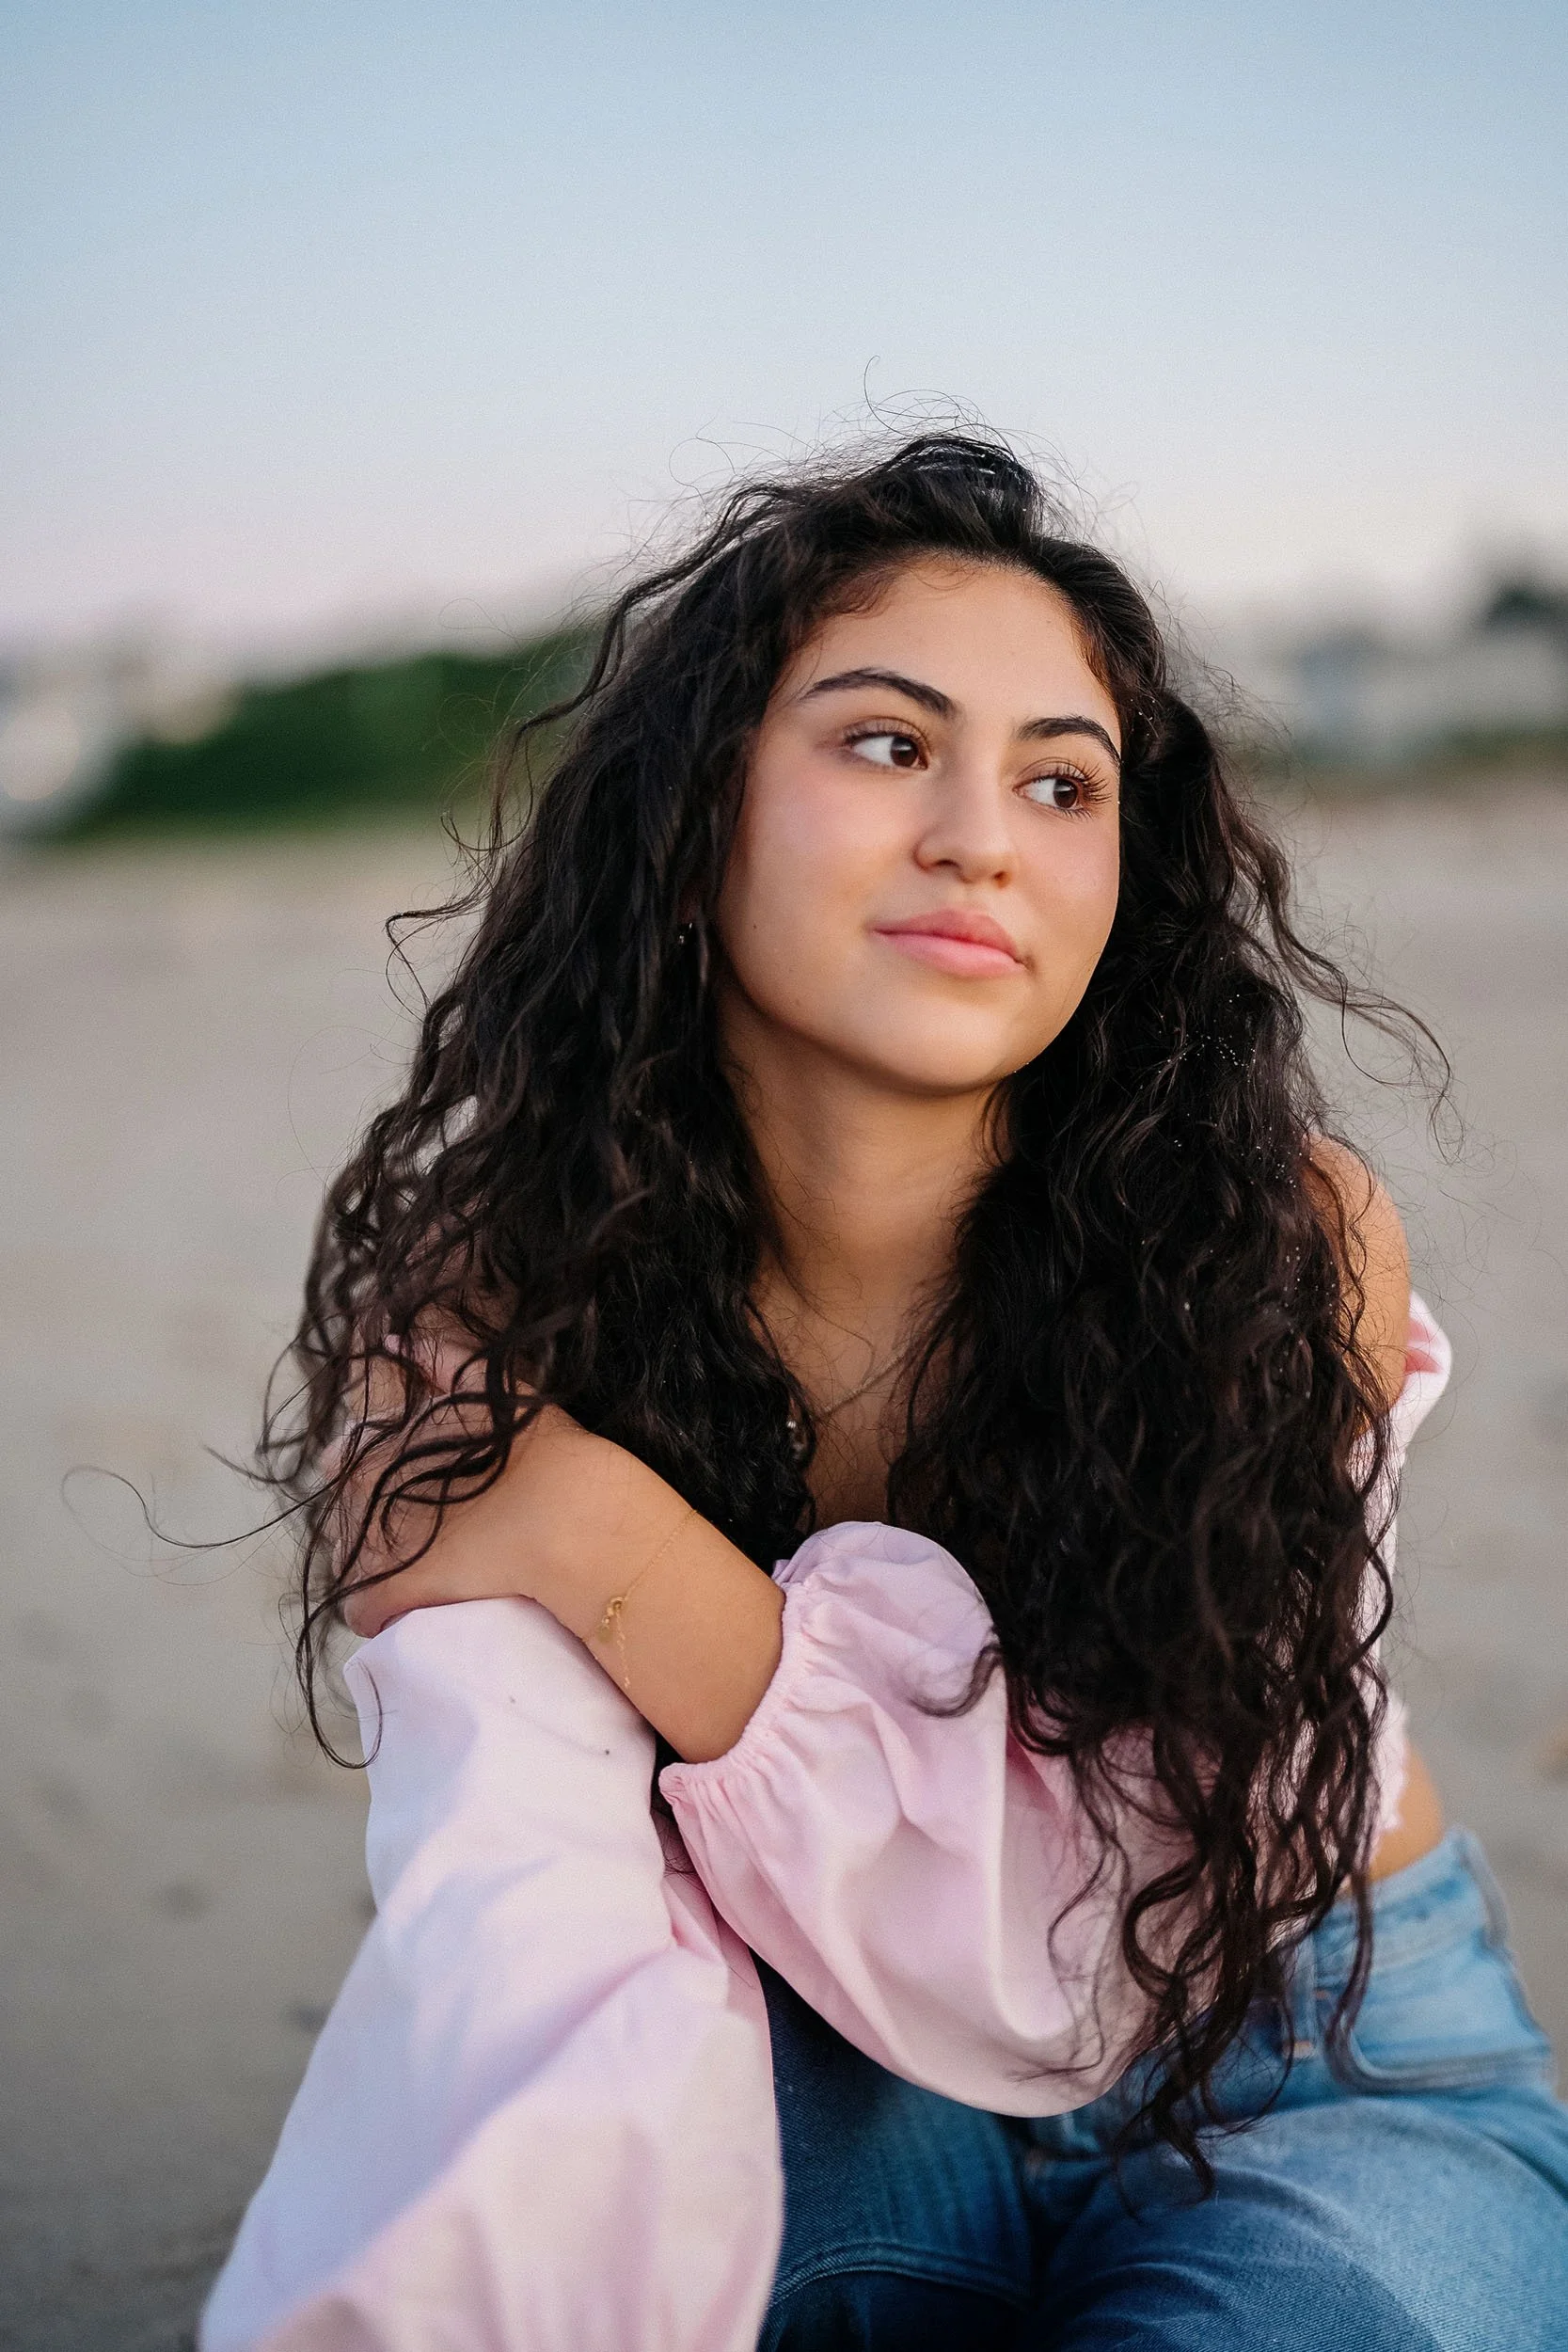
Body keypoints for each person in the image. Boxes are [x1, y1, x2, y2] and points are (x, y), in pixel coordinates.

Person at [201, 434, 1568, 2350]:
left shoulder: (1271, 1248)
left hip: (1308, 2039)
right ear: (694, 820)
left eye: (1058, 780)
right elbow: (521, 1873)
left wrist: (613, 1549)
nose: (979, 837)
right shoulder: (502, 1284)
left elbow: (1095, 1908)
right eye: (883, 743)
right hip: (806, 2045)